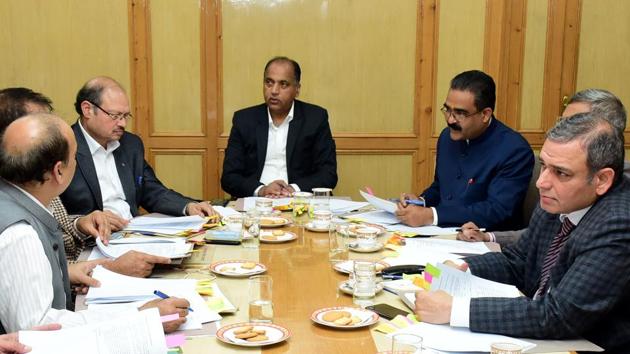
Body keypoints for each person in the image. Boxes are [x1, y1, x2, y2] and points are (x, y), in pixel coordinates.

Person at [414, 112, 630, 352]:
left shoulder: (618, 223)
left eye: (561, 173)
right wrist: (462, 267)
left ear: (602, 179)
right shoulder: (560, 197)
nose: (542, 182)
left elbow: (558, 315)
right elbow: (519, 261)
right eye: (544, 166)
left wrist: (455, 310)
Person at [0, 113, 188, 334]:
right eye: (75, 157)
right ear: (59, 171)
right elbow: (38, 330)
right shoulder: (21, 234)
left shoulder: (16, 201)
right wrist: (142, 317)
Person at [0, 87, 171, 277]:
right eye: (46, 125)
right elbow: (47, 275)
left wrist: (80, 223)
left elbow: (59, 228)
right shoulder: (16, 227)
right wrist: (108, 269)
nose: (57, 132)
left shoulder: (34, 180)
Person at [458, 88, 630, 246]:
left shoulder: (617, 217)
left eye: (577, 123)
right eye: (563, 122)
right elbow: (532, 242)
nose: (542, 182)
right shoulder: (552, 183)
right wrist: (488, 238)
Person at [60, 77, 215, 226]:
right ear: (87, 110)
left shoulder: (130, 144)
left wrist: (187, 206)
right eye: (115, 115)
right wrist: (87, 222)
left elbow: (151, 190)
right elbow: (53, 212)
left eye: (126, 116)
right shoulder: (62, 147)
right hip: (90, 242)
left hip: (133, 233)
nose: (122, 123)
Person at [396, 70, 534, 230]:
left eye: (460, 113)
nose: (450, 120)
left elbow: (497, 209)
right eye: (447, 110)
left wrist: (431, 215)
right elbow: (442, 186)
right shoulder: (447, 138)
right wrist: (421, 201)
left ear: (485, 114)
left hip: (483, 241)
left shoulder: (514, 150)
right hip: (440, 233)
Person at [221, 56, 337, 198]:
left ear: (297, 89)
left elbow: (328, 174)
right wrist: (261, 190)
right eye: (269, 82)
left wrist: (293, 189)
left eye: (283, 84)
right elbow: (229, 177)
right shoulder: (244, 120)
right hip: (257, 202)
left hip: (300, 201)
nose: (274, 91)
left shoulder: (315, 118)